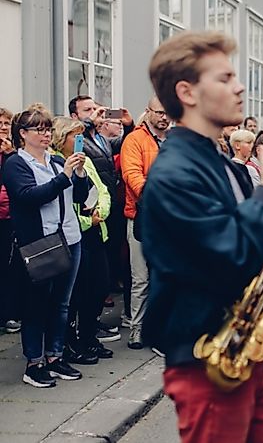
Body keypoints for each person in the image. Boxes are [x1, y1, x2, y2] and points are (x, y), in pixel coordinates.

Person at [141, 31, 263, 443]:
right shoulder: (173, 173)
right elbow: (228, 257)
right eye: (225, 78)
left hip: (251, 351)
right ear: (187, 92)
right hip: (207, 358)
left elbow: (243, 245)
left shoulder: (223, 163)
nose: (240, 86)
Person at [4, 105, 90, 388]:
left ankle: (55, 356)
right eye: (39, 129)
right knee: (36, 305)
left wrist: (78, 174)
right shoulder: (16, 164)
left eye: (48, 129)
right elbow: (29, 196)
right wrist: (64, 176)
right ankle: (34, 362)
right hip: (41, 243)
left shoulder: (55, 160)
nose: (46, 134)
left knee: (61, 304)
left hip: (69, 238)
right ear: (23, 134)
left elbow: (78, 196)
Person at [52, 117, 114, 362]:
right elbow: (69, 202)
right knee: (77, 293)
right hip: (77, 233)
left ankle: (89, 336)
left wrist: (102, 211)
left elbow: (102, 189)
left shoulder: (85, 161)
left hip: (97, 230)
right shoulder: (57, 161)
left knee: (99, 286)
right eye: (75, 136)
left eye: (81, 136)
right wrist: (89, 219)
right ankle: (70, 342)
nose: (80, 141)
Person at [68, 96, 134, 301]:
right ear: (74, 116)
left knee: (110, 253)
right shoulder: (78, 139)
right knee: (93, 264)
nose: (95, 113)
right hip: (88, 204)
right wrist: (88, 123)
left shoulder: (101, 139)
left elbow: (123, 145)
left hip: (108, 202)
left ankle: (103, 293)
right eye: (87, 110)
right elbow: (71, 136)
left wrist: (129, 125)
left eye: (96, 109)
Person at [121, 98, 168, 349]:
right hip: (142, 216)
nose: (164, 117)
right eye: (159, 113)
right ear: (148, 112)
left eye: (167, 113)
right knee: (141, 277)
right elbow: (132, 176)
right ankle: (136, 328)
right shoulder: (135, 139)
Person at [0, 107, 23, 335]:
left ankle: (8, 314)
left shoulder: (13, 155)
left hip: (8, 217)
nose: (3, 129)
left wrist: (10, 153)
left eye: (6, 125)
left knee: (8, 267)